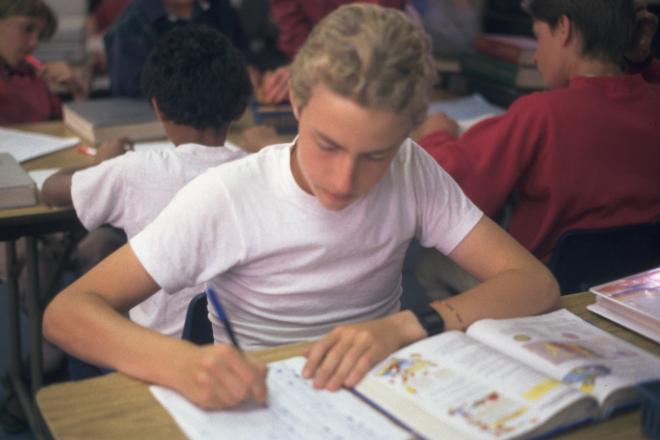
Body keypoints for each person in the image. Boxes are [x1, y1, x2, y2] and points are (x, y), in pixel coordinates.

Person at [43, 4, 559, 410]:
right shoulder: (229, 196)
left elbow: (534, 282)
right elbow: (68, 313)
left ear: (405, 134)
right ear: (294, 104)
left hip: (381, 394)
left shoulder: (412, 168)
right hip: (267, 403)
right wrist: (179, 364)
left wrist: (407, 325)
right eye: (327, 144)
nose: (343, 180)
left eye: (375, 155)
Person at [42, 25, 252, 341]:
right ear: (239, 107)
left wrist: (102, 163)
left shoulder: (133, 170)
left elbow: (50, 190)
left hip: (156, 353)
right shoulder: (255, 168)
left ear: (156, 107)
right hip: (241, 346)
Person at [416, 0, 660, 268]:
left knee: (429, 265)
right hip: (630, 279)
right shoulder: (653, 103)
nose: (535, 56)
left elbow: (454, 184)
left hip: (545, 281)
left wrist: (435, 135)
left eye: (538, 37)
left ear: (564, 29)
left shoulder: (543, 113)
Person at [104, 0, 245, 97]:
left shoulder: (220, 9)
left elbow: (245, 56)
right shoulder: (130, 28)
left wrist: (254, 75)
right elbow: (130, 96)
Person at [0, 0, 84, 125]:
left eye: (40, 36)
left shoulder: (30, 75)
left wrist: (76, 91)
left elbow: (68, 127)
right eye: (27, 29)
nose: (34, 43)